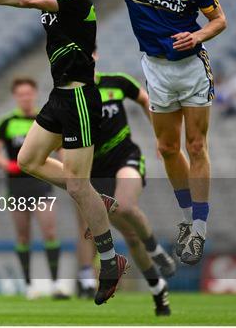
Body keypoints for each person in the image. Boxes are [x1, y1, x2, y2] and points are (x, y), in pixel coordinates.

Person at [15, 0, 227, 265]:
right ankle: (188, 215)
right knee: (168, 147)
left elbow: (219, 19)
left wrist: (199, 35)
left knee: (196, 145)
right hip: (156, 69)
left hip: (190, 68)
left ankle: (197, 226)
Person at [0, 0, 128, 305]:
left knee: (77, 186)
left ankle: (110, 260)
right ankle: (94, 197)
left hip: (79, 96)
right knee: (28, 160)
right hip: (59, 97)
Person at [79, 52, 175, 316]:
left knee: (125, 205)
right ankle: (158, 289)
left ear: (95, 55)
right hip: (96, 175)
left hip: (126, 158)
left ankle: (156, 250)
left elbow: (144, 99)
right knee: (131, 237)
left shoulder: (117, 83)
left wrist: (160, 135)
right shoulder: (71, 97)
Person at [0, 78, 68, 300]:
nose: (25, 97)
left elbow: (61, 148)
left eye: (28, 93)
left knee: (49, 231)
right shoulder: (6, 122)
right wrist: (7, 164)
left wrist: (70, 169)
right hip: (16, 186)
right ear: (15, 96)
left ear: (35, 94)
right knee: (23, 236)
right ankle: (29, 285)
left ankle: (56, 284)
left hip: (42, 183)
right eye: (21, 94)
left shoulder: (45, 119)